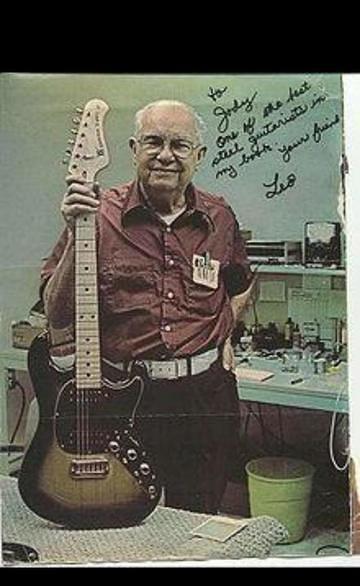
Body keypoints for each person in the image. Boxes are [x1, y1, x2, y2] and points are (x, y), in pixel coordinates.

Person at [41, 99, 255, 515]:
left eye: (179, 145)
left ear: (199, 156)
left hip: (205, 397)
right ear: (134, 148)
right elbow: (58, 315)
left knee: (197, 514)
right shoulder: (97, 215)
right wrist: (73, 233)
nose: (165, 155)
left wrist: (226, 335)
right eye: (154, 142)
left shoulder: (220, 216)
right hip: (125, 399)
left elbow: (241, 285)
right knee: (124, 516)